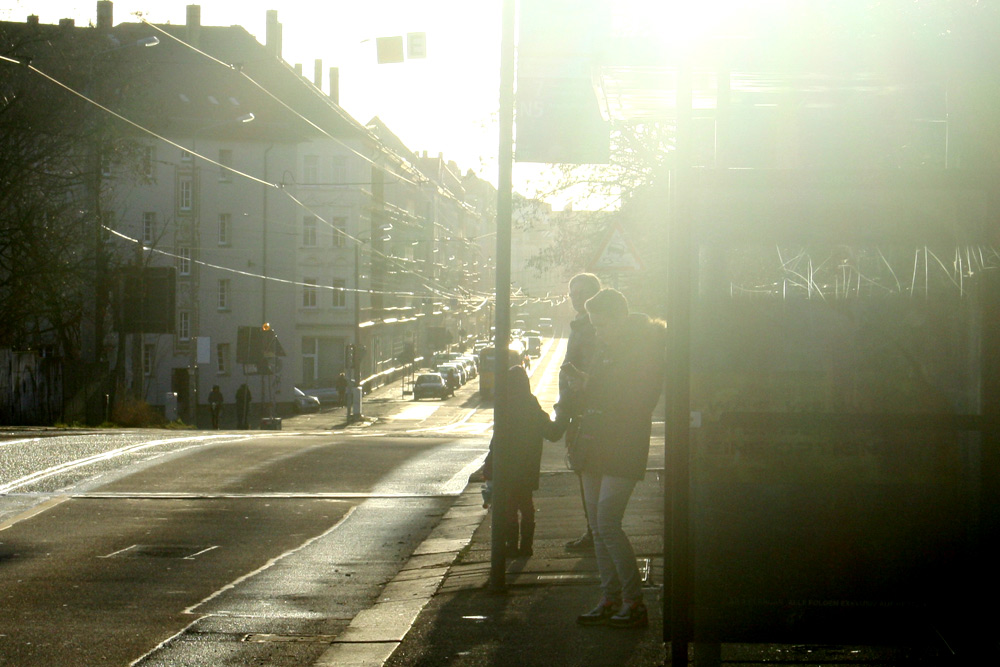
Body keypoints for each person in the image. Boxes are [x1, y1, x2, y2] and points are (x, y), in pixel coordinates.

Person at [565, 288, 666, 629]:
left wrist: (590, 386)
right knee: (597, 527)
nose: (597, 332)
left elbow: (636, 400)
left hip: (623, 444)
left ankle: (633, 601)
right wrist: (585, 386)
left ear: (622, 320)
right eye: (594, 325)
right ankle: (610, 599)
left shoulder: (644, 351)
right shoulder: (605, 349)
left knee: (607, 523)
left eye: (603, 325)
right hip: (596, 443)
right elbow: (606, 392)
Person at [483, 365, 562, 558]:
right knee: (526, 505)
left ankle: (512, 545)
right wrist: (564, 415)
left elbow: (497, 440)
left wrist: (489, 462)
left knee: (510, 507)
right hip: (527, 466)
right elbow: (552, 433)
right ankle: (526, 546)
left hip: (507, 467)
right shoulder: (532, 407)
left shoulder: (506, 407)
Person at [554, 272, 602, 552]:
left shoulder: (592, 327)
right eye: (573, 294)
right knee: (586, 471)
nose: (576, 299)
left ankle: (596, 532)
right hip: (580, 407)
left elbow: (588, 369)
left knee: (588, 469)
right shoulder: (581, 326)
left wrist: (566, 408)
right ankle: (594, 530)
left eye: (582, 293)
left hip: (586, 410)